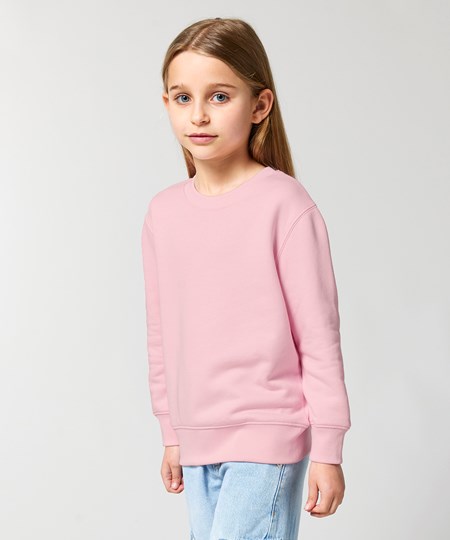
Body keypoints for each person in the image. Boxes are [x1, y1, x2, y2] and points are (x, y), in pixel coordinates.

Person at [141, 17, 351, 540]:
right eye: (183, 98)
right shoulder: (163, 214)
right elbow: (162, 334)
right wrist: (172, 432)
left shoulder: (284, 204)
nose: (199, 114)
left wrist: (328, 447)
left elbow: (318, 336)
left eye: (219, 96)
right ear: (166, 104)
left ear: (259, 105)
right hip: (196, 440)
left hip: (268, 435)